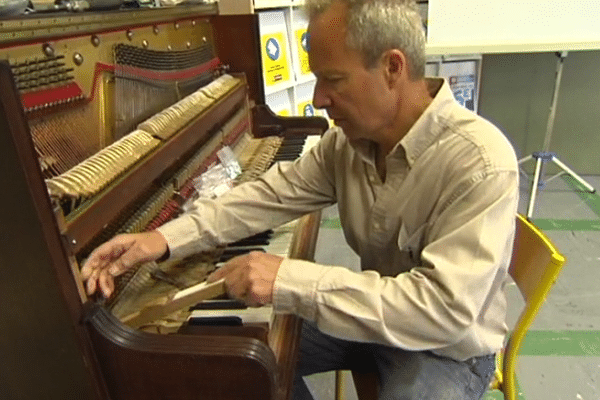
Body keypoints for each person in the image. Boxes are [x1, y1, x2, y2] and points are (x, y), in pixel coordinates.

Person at [81, 0, 519, 398]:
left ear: (392, 68)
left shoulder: (479, 162)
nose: (318, 99)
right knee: (221, 366)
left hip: (445, 348)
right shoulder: (349, 144)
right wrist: (160, 240)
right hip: (375, 325)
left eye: (333, 79)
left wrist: (289, 280)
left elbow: (441, 311)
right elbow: (267, 196)